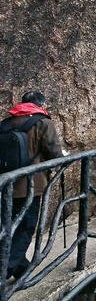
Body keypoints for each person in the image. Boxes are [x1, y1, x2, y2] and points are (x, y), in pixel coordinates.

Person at [1, 91, 64, 279]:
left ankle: (21, 268)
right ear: (41, 105)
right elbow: (54, 154)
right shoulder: (43, 123)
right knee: (26, 227)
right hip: (31, 186)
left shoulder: (5, 123)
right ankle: (5, 272)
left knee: (8, 226)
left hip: (7, 184)